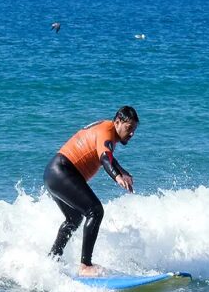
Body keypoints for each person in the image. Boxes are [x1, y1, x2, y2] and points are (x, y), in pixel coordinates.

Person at [43, 106, 139, 276]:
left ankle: (52, 260)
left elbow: (106, 154)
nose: (131, 134)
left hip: (53, 173)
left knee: (74, 218)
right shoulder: (107, 131)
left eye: (134, 130)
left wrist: (122, 170)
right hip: (62, 170)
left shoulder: (107, 130)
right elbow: (104, 158)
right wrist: (117, 176)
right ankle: (85, 265)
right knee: (95, 211)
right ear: (117, 122)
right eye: (129, 128)